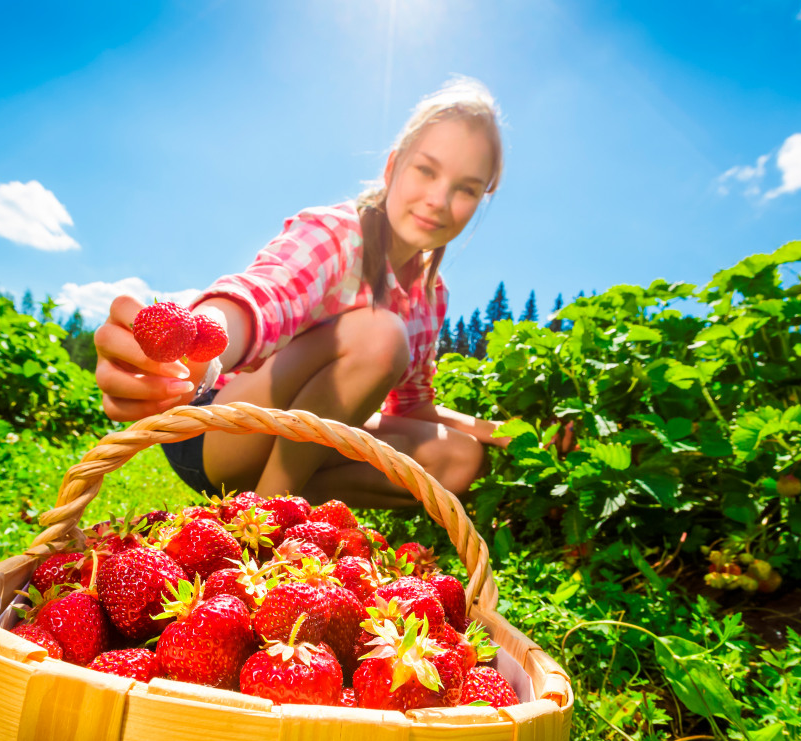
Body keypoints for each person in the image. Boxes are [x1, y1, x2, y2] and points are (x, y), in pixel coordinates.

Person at [94, 76, 511, 508]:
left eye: (466, 189)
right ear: (392, 168)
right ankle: (267, 524)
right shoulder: (336, 234)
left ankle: (267, 505)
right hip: (215, 427)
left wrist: (501, 431)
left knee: (459, 457)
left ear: (481, 198)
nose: (439, 199)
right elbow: (265, 296)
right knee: (380, 334)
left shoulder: (431, 295)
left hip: (287, 440)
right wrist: (198, 340)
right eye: (426, 170)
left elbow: (412, 408)